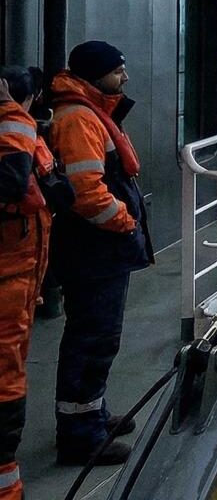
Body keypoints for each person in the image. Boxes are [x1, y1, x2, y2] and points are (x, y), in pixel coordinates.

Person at [49, 41, 153, 465]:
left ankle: (95, 412)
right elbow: (87, 194)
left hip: (99, 248)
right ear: (95, 75)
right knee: (91, 336)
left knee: (101, 335)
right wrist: (125, 223)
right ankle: (79, 435)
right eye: (117, 70)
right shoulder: (78, 120)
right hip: (93, 248)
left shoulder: (90, 111)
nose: (124, 77)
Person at [0, 67, 72, 498]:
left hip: (22, 276)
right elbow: (12, 184)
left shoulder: (25, 134)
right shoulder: (15, 129)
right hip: (8, 277)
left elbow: (54, 193)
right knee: (5, 379)